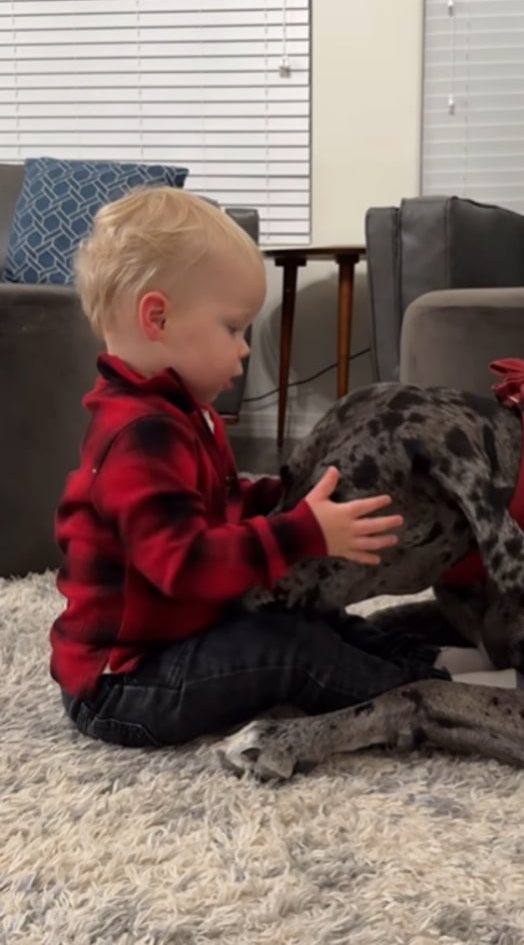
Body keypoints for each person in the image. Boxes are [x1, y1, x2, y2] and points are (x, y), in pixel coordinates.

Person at [51, 187, 448, 749]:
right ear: (157, 317)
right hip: (126, 685)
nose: (244, 349)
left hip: (181, 635)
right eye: (233, 328)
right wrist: (301, 532)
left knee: (309, 613)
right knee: (289, 650)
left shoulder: (184, 413)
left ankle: (426, 658)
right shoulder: (139, 434)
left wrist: (282, 497)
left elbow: (218, 504)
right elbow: (185, 563)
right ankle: (432, 698)